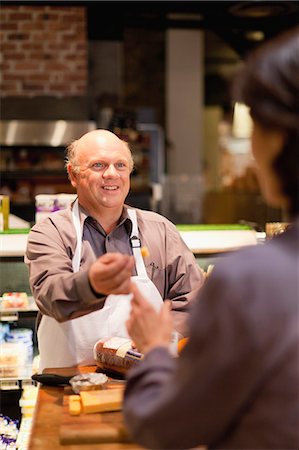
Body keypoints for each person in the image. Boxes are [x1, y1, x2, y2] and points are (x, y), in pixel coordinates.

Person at [123, 27, 299, 449]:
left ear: (278, 139)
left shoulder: (256, 280)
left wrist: (154, 350)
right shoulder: (53, 230)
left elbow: (167, 427)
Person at [25, 128, 204, 370]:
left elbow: (192, 302)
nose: (112, 174)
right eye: (98, 165)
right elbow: (50, 295)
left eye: (120, 165)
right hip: (69, 388)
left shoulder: (160, 231)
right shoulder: (50, 232)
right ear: (73, 175)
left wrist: (162, 338)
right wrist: (91, 285)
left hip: (147, 382)